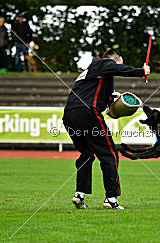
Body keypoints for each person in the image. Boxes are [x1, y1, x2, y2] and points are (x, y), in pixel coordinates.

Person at [63, 49, 150, 210]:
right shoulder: (103, 63)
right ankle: (111, 199)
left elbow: (104, 102)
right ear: (115, 60)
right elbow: (117, 69)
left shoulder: (90, 73)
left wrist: (112, 98)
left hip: (69, 115)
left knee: (87, 154)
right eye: (119, 63)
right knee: (109, 153)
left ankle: (79, 195)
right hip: (87, 112)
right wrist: (141, 71)